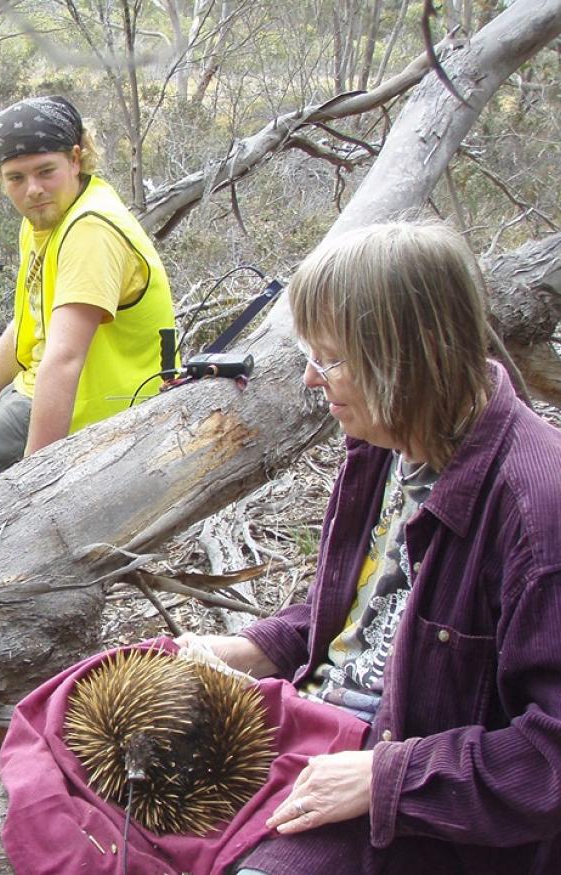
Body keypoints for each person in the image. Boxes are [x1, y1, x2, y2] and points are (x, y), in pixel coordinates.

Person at [185, 222, 561, 874]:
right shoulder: (387, 439)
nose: (309, 377)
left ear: (407, 360)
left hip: (424, 817)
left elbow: (548, 759)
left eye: (329, 358)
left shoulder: (535, 513)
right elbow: (359, 606)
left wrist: (387, 778)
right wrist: (256, 648)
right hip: (322, 732)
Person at [0, 95, 175, 529]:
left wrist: (35, 482)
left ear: (76, 159)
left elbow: (65, 359)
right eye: (16, 178)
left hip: (90, 413)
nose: (33, 190)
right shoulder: (46, 222)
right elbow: (24, 325)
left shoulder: (90, 229)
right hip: (31, 390)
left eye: (45, 172)